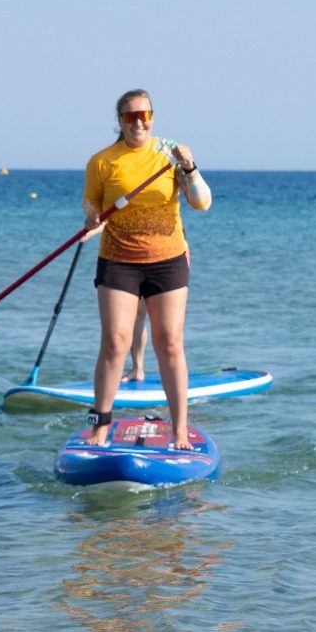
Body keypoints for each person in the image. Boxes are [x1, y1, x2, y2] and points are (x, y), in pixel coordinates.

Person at [82, 89, 211, 450]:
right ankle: (101, 426)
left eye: (145, 114)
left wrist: (190, 167)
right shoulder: (103, 161)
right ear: (119, 121)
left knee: (169, 344)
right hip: (118, 260)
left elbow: (201, 203)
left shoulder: (169, 154)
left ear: (152, 116)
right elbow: (91, 203)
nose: (139, 121)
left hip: (167, 260)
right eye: (130, 116)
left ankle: (180, 430)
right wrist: (92, 217)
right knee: (114, 343)